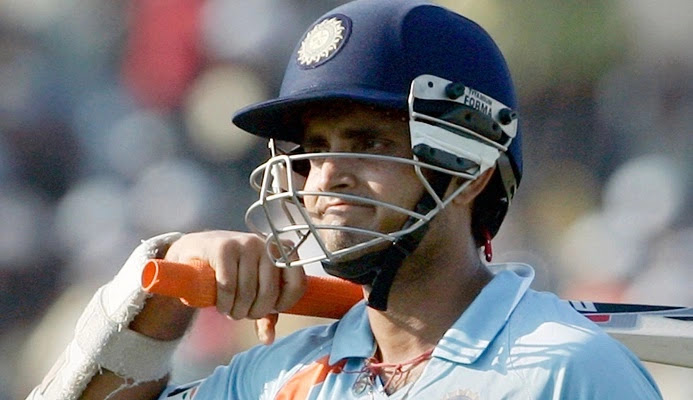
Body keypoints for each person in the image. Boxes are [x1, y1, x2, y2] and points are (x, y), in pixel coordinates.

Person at [29, 0, 662, 399]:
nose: (325, 177)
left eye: (368, 144)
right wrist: (162, 290)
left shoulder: (569, 372)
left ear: (469, 172)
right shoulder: (277, 379)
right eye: (312, 150)